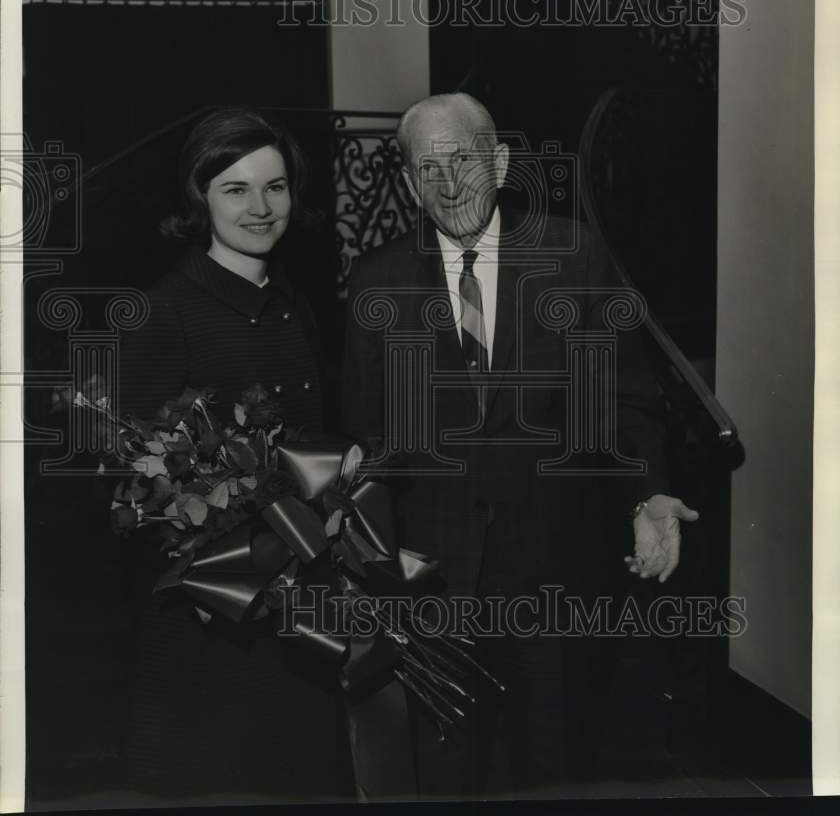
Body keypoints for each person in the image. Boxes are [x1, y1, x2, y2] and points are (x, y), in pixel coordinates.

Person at [341, 93, 699, 798]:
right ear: (409, 183)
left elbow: (622, 400)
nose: (449, 185)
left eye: (464, 161)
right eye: (428, 169)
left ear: (500, 163)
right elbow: (367, 433)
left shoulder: (574, 255)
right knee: (446, 778)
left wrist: (648, 496)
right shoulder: (376, 280)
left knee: (555, 768)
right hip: (432, 581)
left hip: (555, 569)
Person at [116, 108, 357, 804]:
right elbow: (142, 489)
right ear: (200, 198)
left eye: (275, 187)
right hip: (211, 627)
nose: (261, 207)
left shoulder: (294, 303)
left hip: (301, 611)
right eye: (236, 189)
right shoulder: (164, 312)